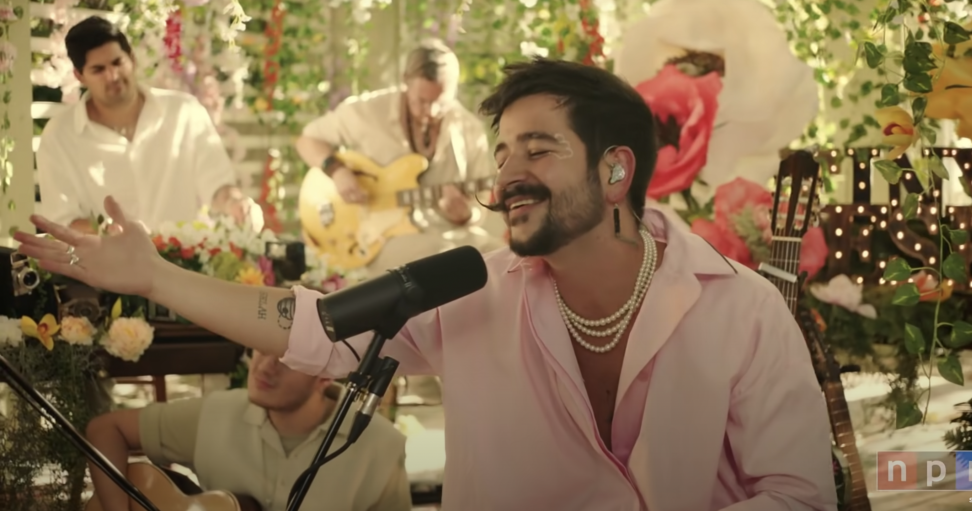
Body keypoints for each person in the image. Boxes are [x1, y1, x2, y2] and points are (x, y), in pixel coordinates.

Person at [17, 58, 839, 510]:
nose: (507, 174)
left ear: (616, 168)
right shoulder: (472, 285)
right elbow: (312, 325)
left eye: (538, 150)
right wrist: (156, 275)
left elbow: (801, 495)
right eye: (504, 152)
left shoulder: (744, 308)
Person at [84, 349, 411, 511]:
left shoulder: (381, 446)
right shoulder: (215, 412)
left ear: (326, 374)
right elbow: (105, 429)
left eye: (287, 357)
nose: (265, 364)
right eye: (262, 347)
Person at [295, 38, 503, 275]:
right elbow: (308, 140)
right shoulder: (367, 111)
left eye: (441, 102)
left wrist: (463, 213)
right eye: (422, 101)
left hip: (450, 232)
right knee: (445, 260)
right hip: (378, 236)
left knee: (506, 259)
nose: (431, 111)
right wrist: (338, 172)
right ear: (405, 81)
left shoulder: (470, 129)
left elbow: (479, 205)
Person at [36, 16, 258, 234]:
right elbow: (63, 221)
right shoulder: (59, 136)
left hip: (185, 264)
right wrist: (111, 233)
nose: (112, 76)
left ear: (132, 59)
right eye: (98, 70)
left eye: (117, 62)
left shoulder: (184, 112)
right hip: (109, 266)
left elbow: (218, 185)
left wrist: (236, 204)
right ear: (79, 76)